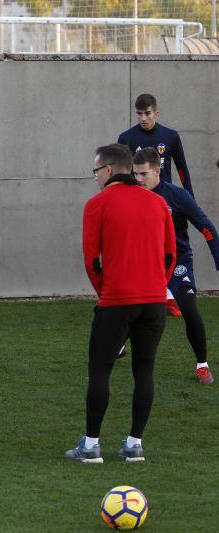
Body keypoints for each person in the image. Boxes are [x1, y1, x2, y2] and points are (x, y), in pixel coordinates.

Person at [65, 144, 175, 464]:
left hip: (117, 300)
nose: (95, 177)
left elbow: (92, 260)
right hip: (154, 301)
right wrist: (157, 285)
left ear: (109, 170)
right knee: (145, 371)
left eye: (96, 171)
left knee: (100, 369)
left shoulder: (97, 204)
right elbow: (170, 254)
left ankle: (91, 446)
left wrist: (106, 293)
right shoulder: (158, 203)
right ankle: (134, 445)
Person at [133, 147, 218, 385]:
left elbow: (206, 227)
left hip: (178, 263)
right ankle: (118, 345)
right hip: (146, 265)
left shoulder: (177, 196)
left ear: (158, 171)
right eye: (135, 174)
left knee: (189, 309)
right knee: (124, 309)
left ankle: (202, 365)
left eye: (143, 174)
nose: (138, 180)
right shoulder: (133, 195)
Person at [118, 93, 193, 317]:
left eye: (147, 113)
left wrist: (189, 199)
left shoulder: (170, 136)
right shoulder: (126, 138)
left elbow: (182, 169)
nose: (143, 118)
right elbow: (122, 172)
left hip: (166, 204)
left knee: (168, 248)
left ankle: (169, 296)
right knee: (142, 250)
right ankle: (141, 296)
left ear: (156, 113)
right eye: (139, 113)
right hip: (137, 204)